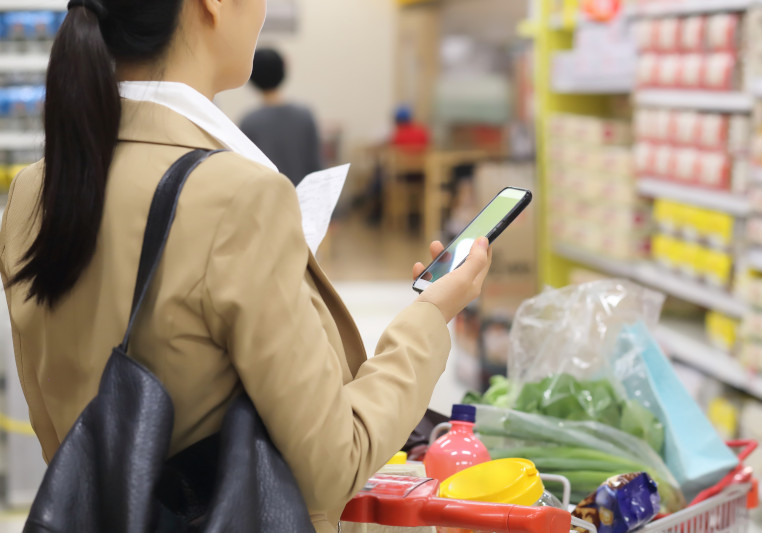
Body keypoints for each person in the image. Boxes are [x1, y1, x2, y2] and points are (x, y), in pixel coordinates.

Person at [0, 1, 492, 532]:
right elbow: (333, 465)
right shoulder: (237, 196)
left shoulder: (34, 190)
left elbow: (61, 432)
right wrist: (430, 314)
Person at [240, 47, 322, 186]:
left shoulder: (249, 122)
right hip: (303, 200)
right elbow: (316, 164)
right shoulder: (304, 115)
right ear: (284, 70)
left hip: (269, 202)